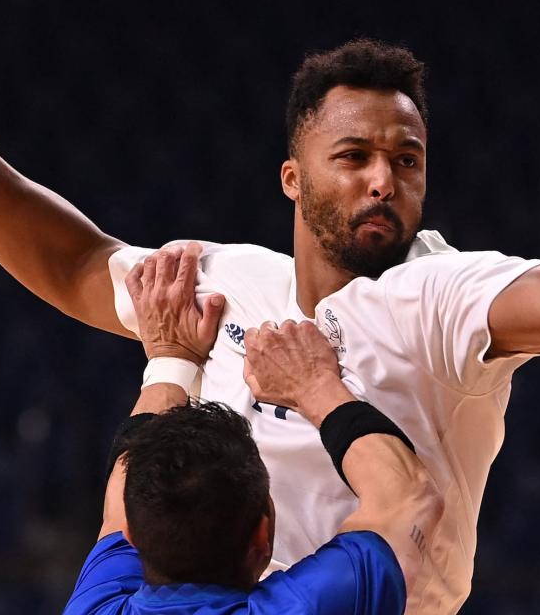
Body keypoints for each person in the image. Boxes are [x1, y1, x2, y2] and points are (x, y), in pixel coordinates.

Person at [0, 0, 540, 610]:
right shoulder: (226, 282)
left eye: (408, 160)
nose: (383, 179)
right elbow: (71, 265)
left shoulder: (442, 292)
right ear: (293, 181)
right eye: (356, 156)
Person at [64, 244, 443, 614]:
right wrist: (316, 389)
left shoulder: (97, 606)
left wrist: (169, 357)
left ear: (131, 538)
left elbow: (119, 500)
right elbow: (409, 496)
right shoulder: (306, 606)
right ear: (262, 537)